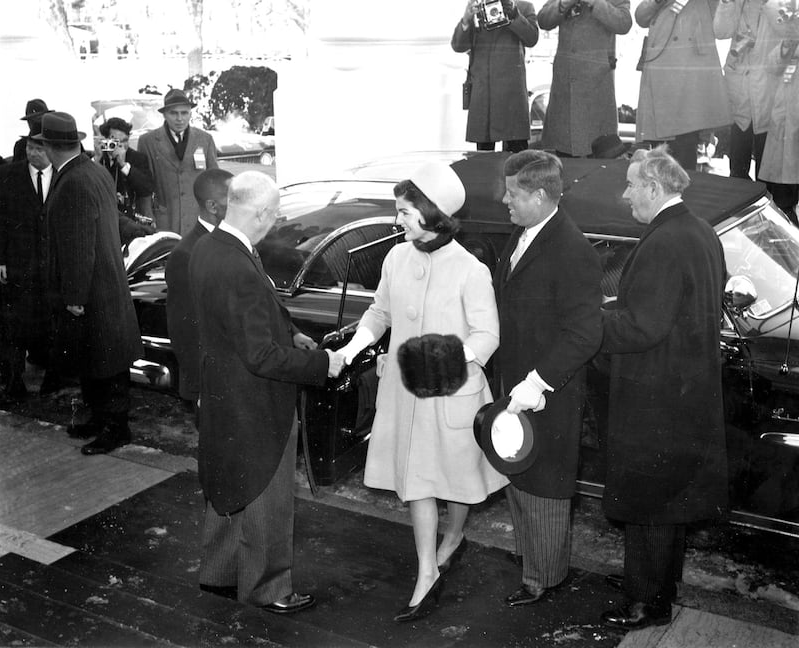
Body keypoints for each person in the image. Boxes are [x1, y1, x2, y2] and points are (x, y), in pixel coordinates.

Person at [337, 161, 508, 622]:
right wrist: (354, 347)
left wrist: (449, 362)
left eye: (406, 212)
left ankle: (454, 538)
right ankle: (427, 570)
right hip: (405, 392)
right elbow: (380, 313)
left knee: (453, 480)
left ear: (432, 214)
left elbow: (487, 335)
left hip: (452, 393)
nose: (399, 220)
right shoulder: (396, 257)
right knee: (418, 481)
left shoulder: (469, 269)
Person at [189, 171, 345, 614]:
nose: (275, 222)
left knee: (227, 483)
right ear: (260, 213)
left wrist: (290, 333)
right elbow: (259, 355)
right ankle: (269, 588)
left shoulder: (210, 247)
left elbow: (248, 319)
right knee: (265, 492)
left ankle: (219, 574)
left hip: (223, 391)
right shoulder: (238, 264)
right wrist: (321, 364)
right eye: (274, 215)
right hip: (255, 398)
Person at [599, 146, 728, 630]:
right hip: (685, 390)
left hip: (654, 392)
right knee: (670, 500)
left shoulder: (662, 241)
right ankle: (658, 586)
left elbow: (643, 327)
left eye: (632, 184)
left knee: (647, 501)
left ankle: (644, 602)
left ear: (654, 188)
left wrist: (591, 323)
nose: (626, 193)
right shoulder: (699, 231)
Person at [492, 150, 603, 608]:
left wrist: (537, 382)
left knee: (545, 486)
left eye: (513, 193)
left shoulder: (571, 249)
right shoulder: (524, 234)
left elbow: (584, 333)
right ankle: (531, 562)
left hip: (547, 390)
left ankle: (545, 579)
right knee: (518, 474)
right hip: (515, 383)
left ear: (539, 195)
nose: (504, 200)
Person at [33, 112, 143, 455]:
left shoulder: (75, 180)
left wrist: (75, 296)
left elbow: (80, 245)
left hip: (92, 289)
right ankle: (101, 420)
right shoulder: (92, 170)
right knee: (97, 358)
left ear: (49, 147)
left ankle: (116, 428)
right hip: (105, 283)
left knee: (105, 361)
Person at [635, 0, 732, 170]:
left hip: (688, 87)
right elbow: (640, 17)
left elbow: (720, 25)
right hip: (660, 83)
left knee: (683, 156)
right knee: (660, 160)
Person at [165, 168, 233, 408]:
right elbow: (184, 329)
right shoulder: (185, 255)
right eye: (232, 200)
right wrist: (201, 387)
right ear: (213, 207)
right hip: (211, 380)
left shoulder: (237, 238)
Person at [538, 0, 632, 157]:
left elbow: (624, 23)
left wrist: (596, 2)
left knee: (597, 156)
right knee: (564, 157)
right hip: (565, 88)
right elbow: (543, 20)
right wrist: (562, 4)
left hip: (597, 87)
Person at [0, 129, 53, 398]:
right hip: (19, 262)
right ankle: (14, 381)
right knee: (16, 324)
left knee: (51, 321)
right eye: (30, 147)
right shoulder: (9, 174)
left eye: (40, 148)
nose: (33, 153)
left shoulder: (63, 174)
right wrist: (1, 259)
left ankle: (52, 380)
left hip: (51, 264)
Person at [451, 0, 539, 153]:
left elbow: (532, 39)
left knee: (517, 157)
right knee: (483, 160)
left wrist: (514, 14)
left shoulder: (524, 6)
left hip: (512, 95)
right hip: (484, 94)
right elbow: (458, 46)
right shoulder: (477, 7)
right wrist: (466, 20)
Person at [714, 0, 782, 180]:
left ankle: (774, 204)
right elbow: (721, 31)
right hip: (740, 91)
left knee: (769, 171)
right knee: (738, 172)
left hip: (770, 91)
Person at [138, 88, 219, 235]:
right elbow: (144, 186)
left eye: (184, 113)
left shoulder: (205, 140)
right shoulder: (148, 142)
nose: (179, 118)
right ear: (164, 114)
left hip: (199, 221)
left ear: (190, 114)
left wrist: (215, 216)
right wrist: (147, 217)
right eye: (174, 113)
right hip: (164, 221)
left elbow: (214, 182)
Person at [758, 13, 799, 226]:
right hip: (783, 125)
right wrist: (787, 45)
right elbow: (771, 66)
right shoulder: (790, 43)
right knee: (782, 197)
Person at [96, 117, 156, 229]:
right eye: (116, 141)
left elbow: (147, 188)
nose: (121, 146)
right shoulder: (99, 158)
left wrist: (124, 165)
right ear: (105, 140)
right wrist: (97, 158)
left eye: (124, 141)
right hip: (105, 219)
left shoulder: (137, 158)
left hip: (130, 220)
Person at [13, 98, 52, 163]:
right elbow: (15, 170)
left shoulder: (58, 142)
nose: (36, 123)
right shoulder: (21, 145)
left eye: (40, 119)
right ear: (28, 122)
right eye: (32, 120)